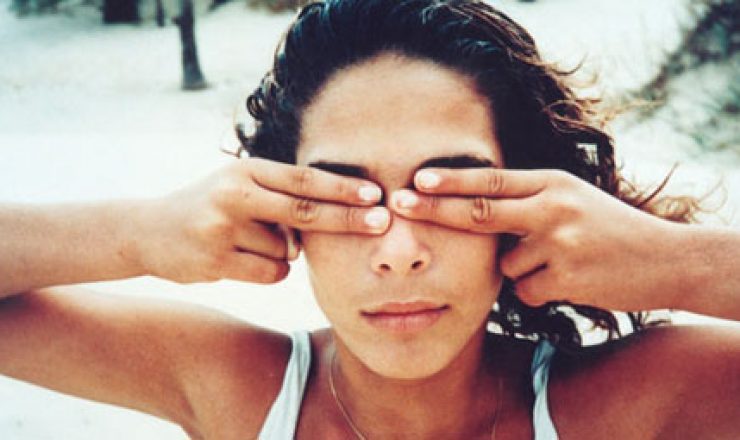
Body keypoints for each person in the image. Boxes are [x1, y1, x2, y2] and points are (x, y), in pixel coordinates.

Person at [1, 0, 739, 438]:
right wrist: (138, 235)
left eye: (453, 195)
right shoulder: (244, 393)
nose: (399, 250)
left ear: (521, 209)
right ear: (286, 215)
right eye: (344, 198)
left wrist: (682, 263)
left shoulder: (627, 406)